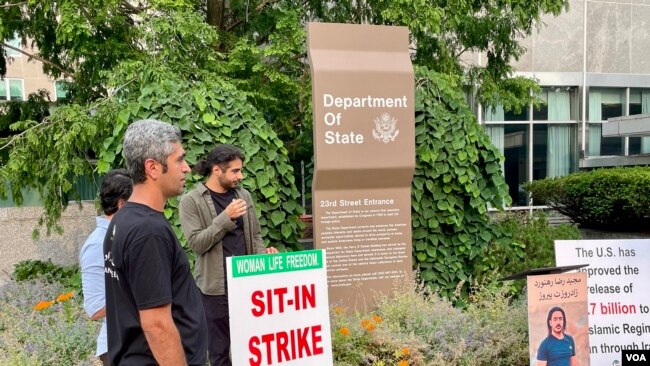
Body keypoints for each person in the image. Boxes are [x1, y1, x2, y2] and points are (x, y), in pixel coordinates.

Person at [103, 119, 208, 365]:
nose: (187, 168)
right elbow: (156, 323)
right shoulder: (147, 230)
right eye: (179, 160)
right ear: (152, 168)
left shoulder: (123, 220)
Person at [179, 144, 278, 366]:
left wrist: (265, 254)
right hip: (216, 291)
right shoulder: (191, 201)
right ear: (217, 170)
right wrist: (226, 217)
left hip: (247, 286)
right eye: (235, 171)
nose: (240, 176)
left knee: (253, 348)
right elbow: (197, 244)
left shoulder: (244, 196)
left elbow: (254, 236)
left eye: (240, 170)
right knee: (219, 353)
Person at [80, 169, 132, 366]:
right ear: (122, 204)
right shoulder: (97, 244)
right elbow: (95, 309)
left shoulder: (127, 236)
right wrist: (139, 296)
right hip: (117, 348)